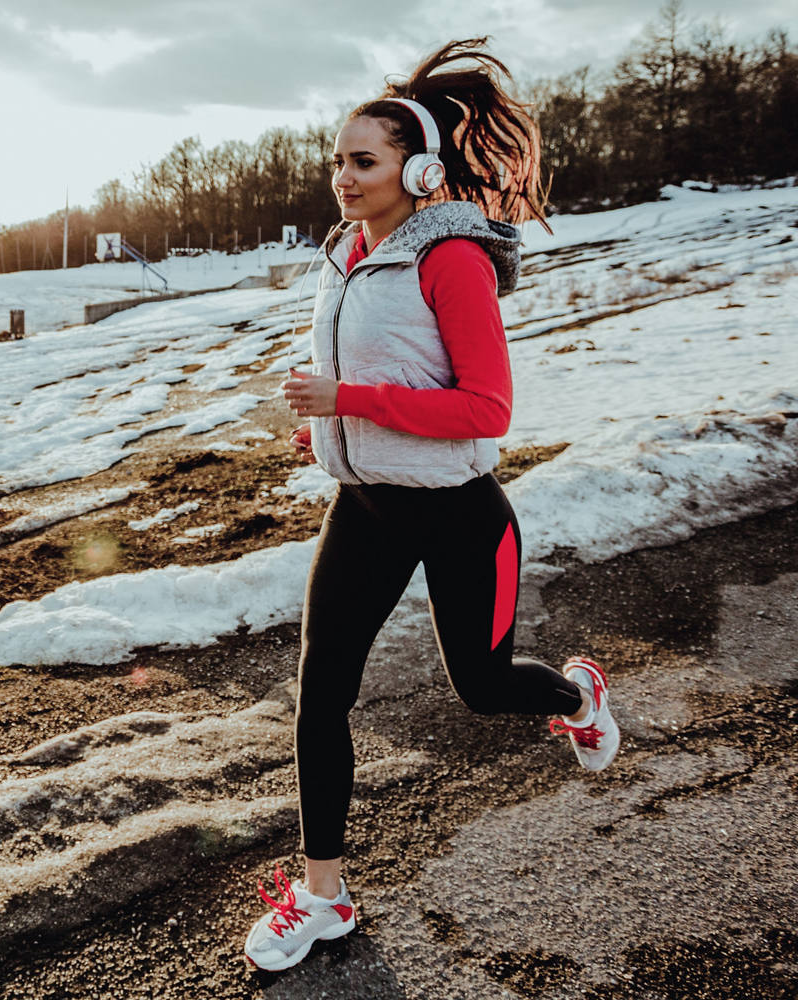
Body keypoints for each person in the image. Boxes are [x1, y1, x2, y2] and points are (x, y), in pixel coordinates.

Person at [243, 38, 621, 974]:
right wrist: (329, 434)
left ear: (417, 170)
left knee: (483, 687)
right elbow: (378, 373)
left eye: (361, 161)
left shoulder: (450, 259)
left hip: (458, 511)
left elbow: (486, 411)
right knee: (320, 691)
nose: (342, 177)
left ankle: (578, 696)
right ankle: (322, 895)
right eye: (336, 160)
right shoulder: (344, 256)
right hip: (365, 505)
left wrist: (351, 404)